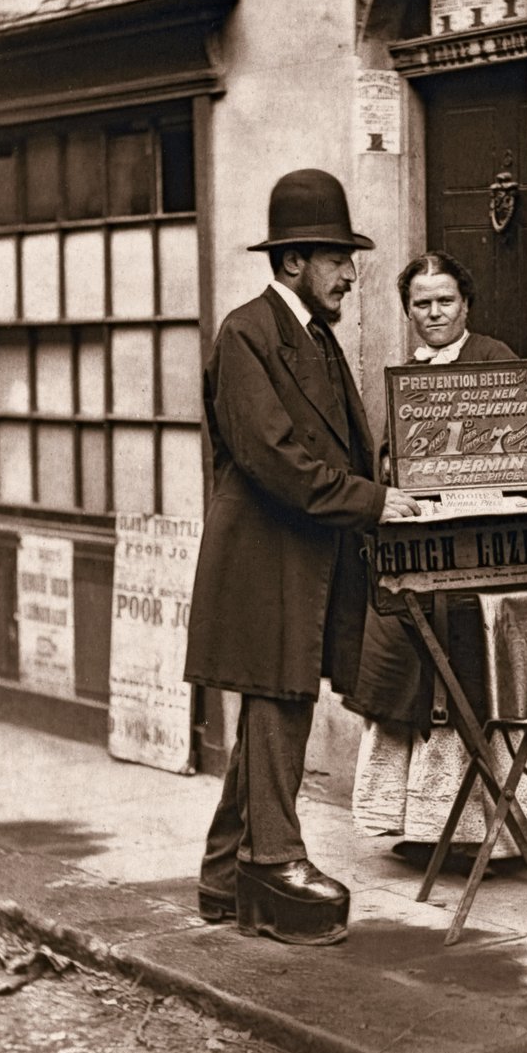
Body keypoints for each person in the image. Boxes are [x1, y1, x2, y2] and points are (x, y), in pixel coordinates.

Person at [184, 169, 419, 947]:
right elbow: (274, 458)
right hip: (264, 556)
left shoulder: (313, 337)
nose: (351, 274)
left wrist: (383, 495)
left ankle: (225, 877)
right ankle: (272, 861)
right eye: (337, 259)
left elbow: (337, 446)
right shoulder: (248, 332)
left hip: (304, 555)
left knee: (274, 702)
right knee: (276, 699)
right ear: (292, 263)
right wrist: (374, 502)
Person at [348, 250, 527, 865]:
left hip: (481, 557)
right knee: (411, 669)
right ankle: (423, 828)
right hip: (421, 552)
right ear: (407, 311)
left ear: (466, 305)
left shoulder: (495, 362)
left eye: (444, 302)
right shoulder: (407, 374)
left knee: (473, 679)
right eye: (421, 304)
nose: (433, 313)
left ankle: (482, 837)